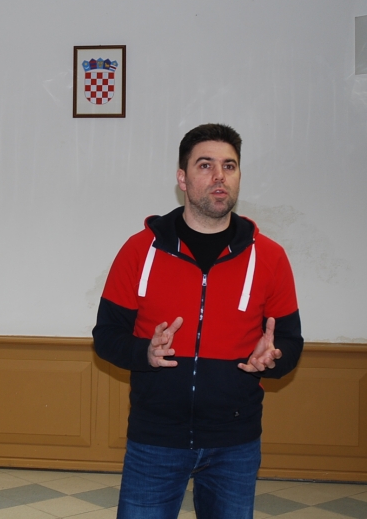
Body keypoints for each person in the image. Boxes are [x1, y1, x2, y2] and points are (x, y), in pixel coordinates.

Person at [92, 123, 303, 519]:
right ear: (182, 179)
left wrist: (273, 359)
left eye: (229, 166)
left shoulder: (270, 257)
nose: (219, 176)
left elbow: (291, 342)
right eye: (205, 165)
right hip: (155, 438)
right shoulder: (140, 251)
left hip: (235, 442)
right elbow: (105, 337)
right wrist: (145, 352)